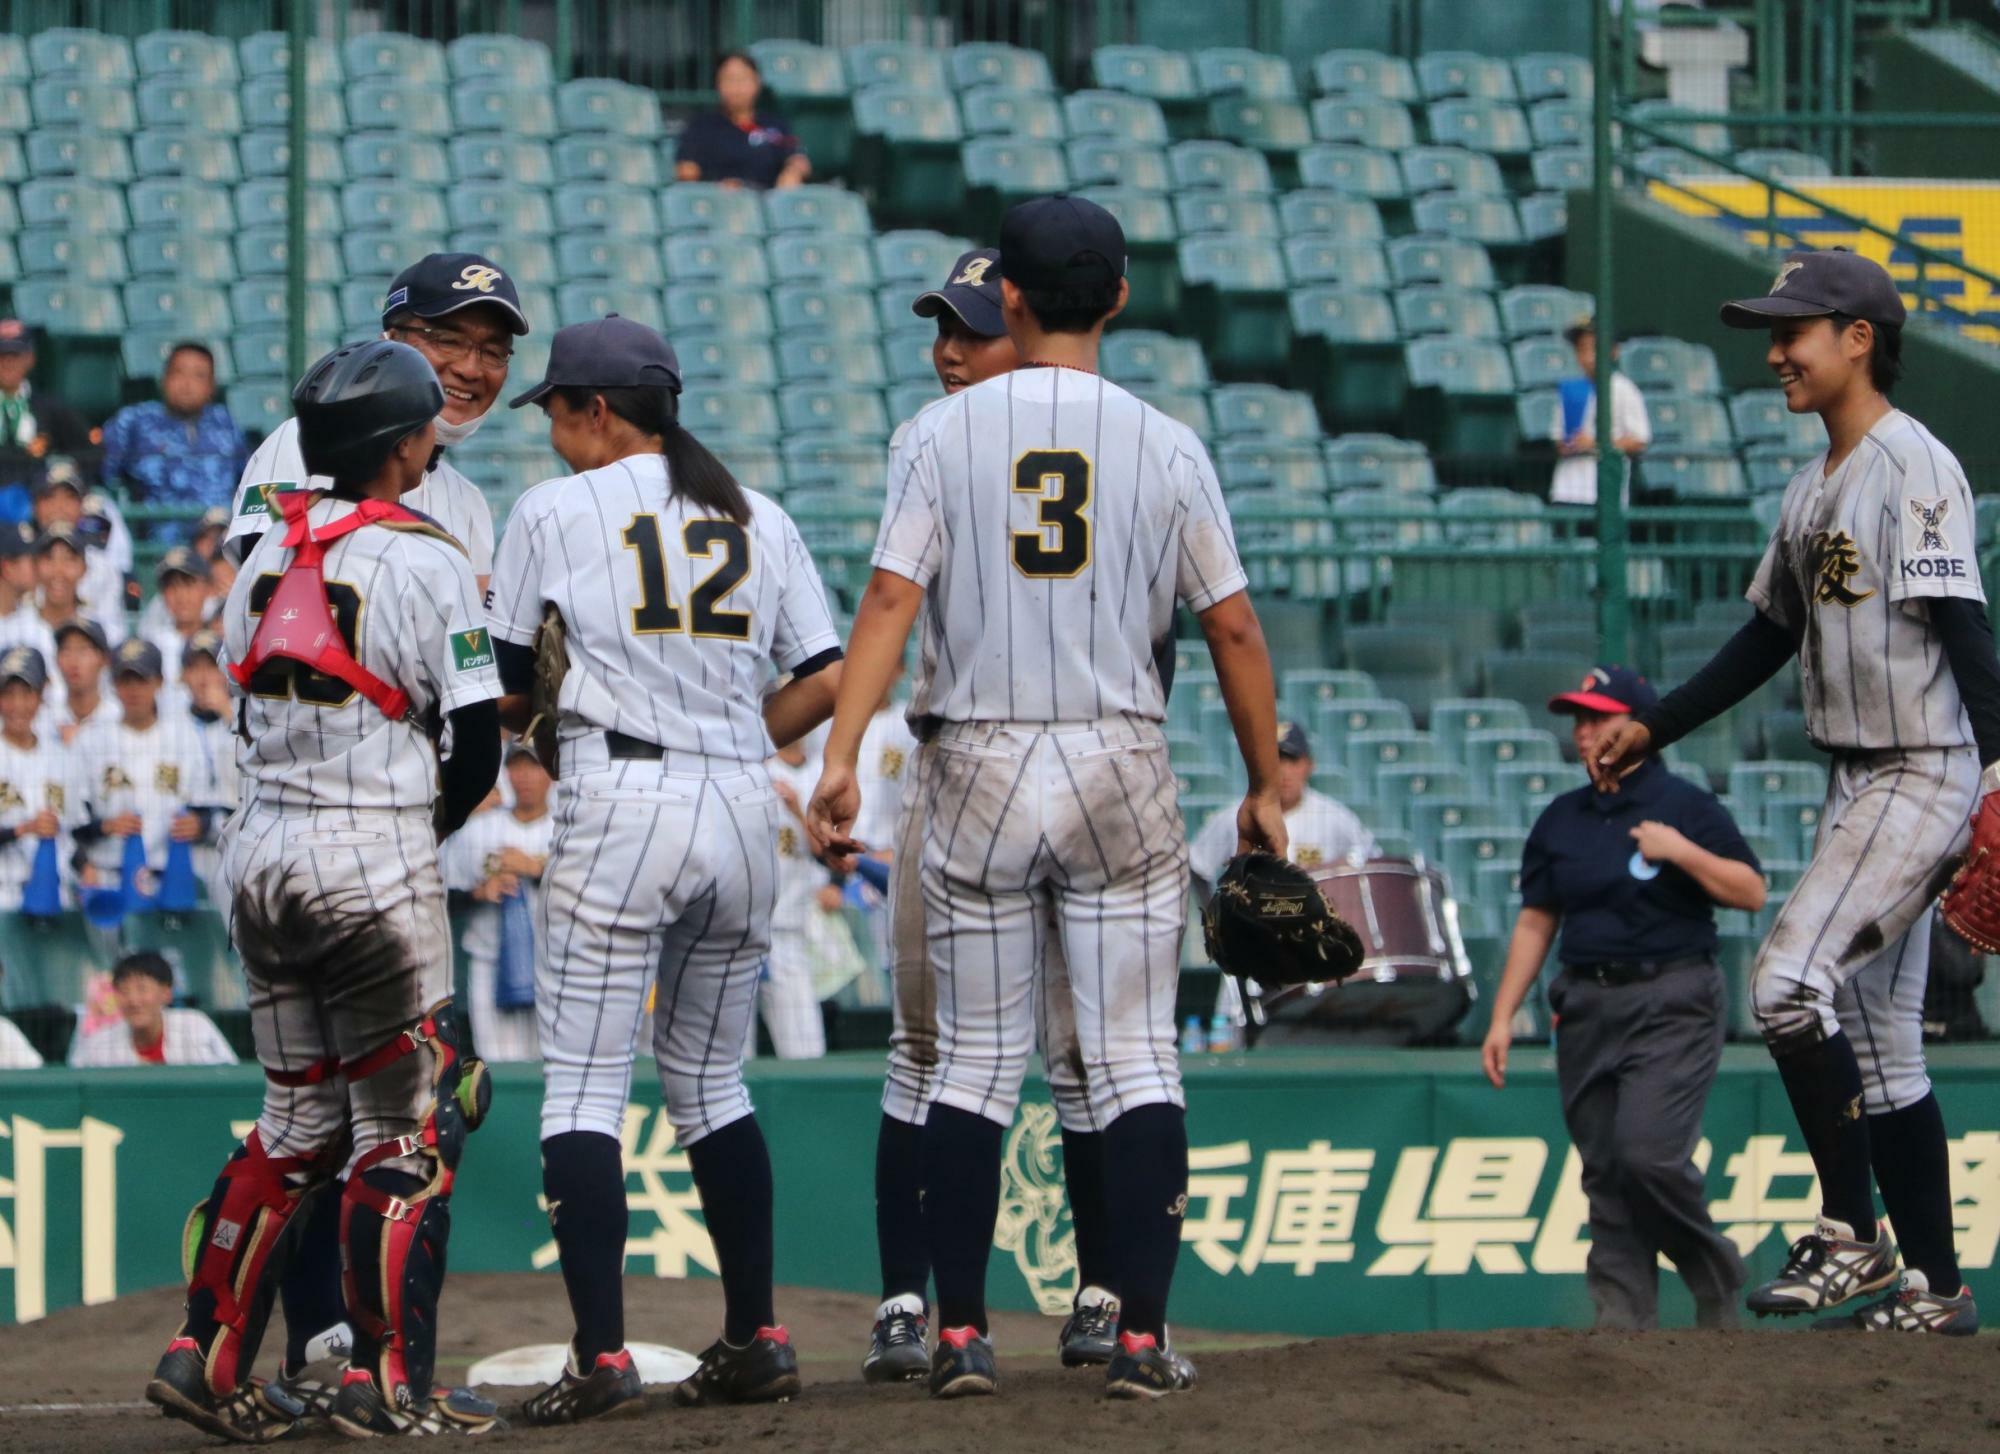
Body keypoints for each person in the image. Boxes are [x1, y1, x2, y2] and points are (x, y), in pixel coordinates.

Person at [807, 195, 1285, 1401]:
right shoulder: (1167, 441)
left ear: (1007, 298)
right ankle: (1135, 1335)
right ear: (1116, 298)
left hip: (976, 752)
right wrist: (1264, 786)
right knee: (1130, 1058)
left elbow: (884, 606)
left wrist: (839, 754)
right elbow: (1228, 624)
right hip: (1118, 753)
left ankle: (961, 1332)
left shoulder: (939, 432)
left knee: (968, 1061)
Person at [1593, 249, 1991, 1335]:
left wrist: (1997, 776)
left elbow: (1963, 625)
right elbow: (1769, 633)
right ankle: (1938, 1288)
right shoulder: (1812, 481)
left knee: (1783, 985)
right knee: (1880, 1042)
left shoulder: (1912, 466)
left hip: (1918, 767)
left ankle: (1850, 1231)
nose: (1773, 351)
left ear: (1857, 337)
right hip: (1858, 773)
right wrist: (1654, 724)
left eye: (1793, 330)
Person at [143, 339, 504, 1439]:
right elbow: (480, 743)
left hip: (258, 854)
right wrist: (415, 828)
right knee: (405, 1128)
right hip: (367, 857)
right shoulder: (429, 554)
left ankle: (202, 1351)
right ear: (403, 444)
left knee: (296, 1119)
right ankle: (381, 1381)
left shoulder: (257, 557)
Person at [488, 315, 844, 1423]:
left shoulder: (552, 508)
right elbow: (826, 675)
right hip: (741, 805)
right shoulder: (758, 513)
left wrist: (540, 726)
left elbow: (504, 687)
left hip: (621, 795)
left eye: (553, 407)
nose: (547, 427)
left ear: (597, 410)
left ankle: (601, 1354)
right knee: (711, 1081)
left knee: (587, 1084)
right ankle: (756, 1335)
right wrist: (737, 733)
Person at [863, 247, 1127, 1386]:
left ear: (1029, 324)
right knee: (922, 1049)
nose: (949, 350)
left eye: (972, 328)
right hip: (955, 764)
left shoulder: (1103, 443)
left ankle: (1102, 1292)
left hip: (1076, 771)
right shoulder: (932, 444)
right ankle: (904, 1302)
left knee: (1083, 1053)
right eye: (942, 329)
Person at [1481, 664, 1760, 1330]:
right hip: (1585, 1002)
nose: (1584, 733)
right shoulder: (1562, 818)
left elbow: (1750, 891)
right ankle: (1622, 1326)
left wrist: (1681, 852)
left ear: (1639, 728)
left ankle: (1714, 1271)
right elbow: (1536, 919)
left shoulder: (1685, 805)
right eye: (1578, 720)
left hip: (1671, 997)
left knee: (1647, 1154)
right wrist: (1500, 1016)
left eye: (1600, 719)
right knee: (1605, 1171)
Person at [225, 252, 528, 593]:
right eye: (448, 340)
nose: (470, 369)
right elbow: (263, 585)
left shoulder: (468, 502)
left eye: (493, 352)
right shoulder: (309, 440)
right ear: (392, 340)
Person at [68, 638, 212, 902]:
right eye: (125, 681)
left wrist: (199, 824)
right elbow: (74, 823)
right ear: (113, 684)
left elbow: (205, 810)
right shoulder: (90, 738)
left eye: (141, 680)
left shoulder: (184, 737)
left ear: (158, 682)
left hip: (168, 876)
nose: (133, 690)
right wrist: (106, 826)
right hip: (107, 874)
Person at [440, 742, 554, 1064]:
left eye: (534, 766)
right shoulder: (477, 830)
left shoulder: (567, 828)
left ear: (551, 772)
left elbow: (593, 889)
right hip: (490, 960)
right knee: (495, 1063)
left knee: (551, 1062)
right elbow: (440, 893)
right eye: (518, 766)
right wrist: (479, 891)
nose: (525, 776)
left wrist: (537, 869)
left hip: (554, 964)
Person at [1189, 722, 1375, 890]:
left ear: (1309, 765)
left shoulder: (1334, 816)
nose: (1284, 771)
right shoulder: (1235, 816)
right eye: (1275, 760)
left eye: (1292, 760)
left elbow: (1371, 860)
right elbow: (1197, 865)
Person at [100, 342, 250, 509]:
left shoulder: (225, 423)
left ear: (211, 387)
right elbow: (105, 481)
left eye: (199, 376)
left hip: (220, 530)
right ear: (164, 379)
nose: (187, 384)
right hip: (155, 531)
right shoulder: (134, 421)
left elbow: (246, 480)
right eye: (179, 372)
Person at [762, 734, 834, 1060]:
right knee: (731, 1053)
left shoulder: (823, 771)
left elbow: (834, 855)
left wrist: (795, 808)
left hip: (790, 926)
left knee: (805, 1048)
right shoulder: (755, 769)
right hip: (739, 928)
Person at [0, 646, 74, 912]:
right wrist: (22, 830)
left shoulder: (61, 757)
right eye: (8, 694)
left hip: (56, 893)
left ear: (42, 693)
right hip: (3, 892)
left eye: (26, 693)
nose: (17, 705)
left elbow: (75, 829)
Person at [70, 951, 237, 1067]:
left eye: (142, 989)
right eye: (124, 991)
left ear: (166, 993)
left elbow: (231, 1076)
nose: (133, 1001)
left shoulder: (195, 1025)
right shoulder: (99, 1043)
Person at [675, 50, 811, 191]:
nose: (736, 87)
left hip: (767, 200)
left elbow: (799, 159)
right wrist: (714, 187)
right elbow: (686, 171)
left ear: (757, 82)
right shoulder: (701, 126)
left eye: (743, 79)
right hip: (721, 202)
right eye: (729, 79)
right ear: (718, 84)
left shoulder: (775, 124)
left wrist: (793, 172)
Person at [1550, 317, 1650, 508]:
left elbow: (1639, 439)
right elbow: (1559, 439)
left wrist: (1595, 444)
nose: (1587, 356)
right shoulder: (1570, 390)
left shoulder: (1623, 389)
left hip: (1604, 491)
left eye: (1593, 348)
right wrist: (1569, 444)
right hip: (1566, 489)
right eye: (1581, 348)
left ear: (1613, 351)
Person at [0, 319, 91, 494]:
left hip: (40, 502)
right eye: (1, 355)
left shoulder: (51, 409)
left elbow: (89, 454)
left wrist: (60, 468)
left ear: (30, 359)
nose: (8, 363)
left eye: (15, 355)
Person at [145, 548, 214, 685]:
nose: (181, 596)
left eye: (188, 584)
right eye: (172, 587)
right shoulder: (152, 645)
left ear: (207, 588)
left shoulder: (222, 640)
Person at [47, 618, 112, 744]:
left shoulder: (117, 717)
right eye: (66, 651)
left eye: (83, 650)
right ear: (56, 659)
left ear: (104, 659)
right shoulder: (45, 718)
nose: (73, 661)